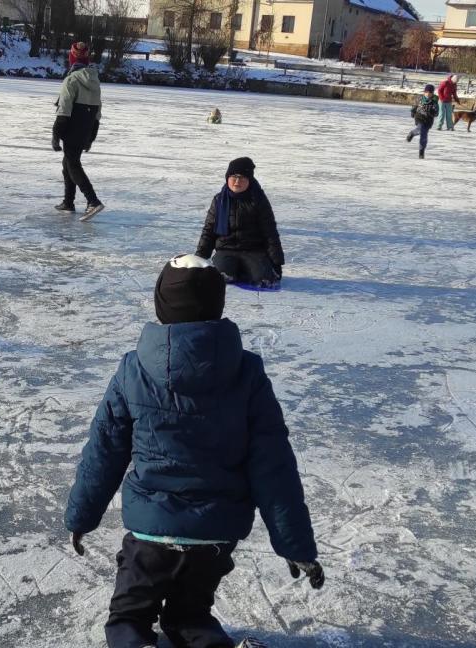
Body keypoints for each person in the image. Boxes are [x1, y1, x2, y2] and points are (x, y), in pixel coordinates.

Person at [65, 254, 323, 648]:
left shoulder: (133, 370)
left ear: (161, 303)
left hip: (150, 534)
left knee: (129, 617)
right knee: (190, 615)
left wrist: (81, 516)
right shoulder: (248, 373)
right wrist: (295, 546)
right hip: (214, 536)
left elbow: (104, 450)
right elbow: (275, 467)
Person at [195, 157, 284, 288]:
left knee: (265, 280)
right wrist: (199, 258)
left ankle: (247, 269)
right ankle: (237, 269)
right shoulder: (219, 200)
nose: (237, 181)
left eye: (242, 177)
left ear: (249, 180)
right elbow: (209, 230)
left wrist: (276, 262)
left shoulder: (258, 200)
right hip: (226, 250)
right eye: (234, 177)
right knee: (219, 277)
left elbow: (270, 232)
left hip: (253, 251)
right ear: (227, 178)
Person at [52, 42, 104, 221]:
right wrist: (91, 136)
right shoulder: (95, 81)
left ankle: (93, 201)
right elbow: (97, 112)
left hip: (72, 127)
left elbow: (64, 110)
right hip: (86, 127)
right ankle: (68, 202)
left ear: (71, 58)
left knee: (73, 164)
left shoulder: (71, 80)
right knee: (67, 163)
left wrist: (56, 135)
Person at [406, 84, 439, 159]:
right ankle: (412, 133)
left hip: (428, 120)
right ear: (424, 92)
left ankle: (421, 151)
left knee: (424, 135)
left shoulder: (434, 101)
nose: (428, 94)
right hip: (419, 117)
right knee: (420, 129)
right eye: (426, 92)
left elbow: (437, 113)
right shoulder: (420, 98)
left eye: (430, 92)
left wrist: (433, 112)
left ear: (432, 93)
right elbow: (414, 106)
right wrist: (413, 111)